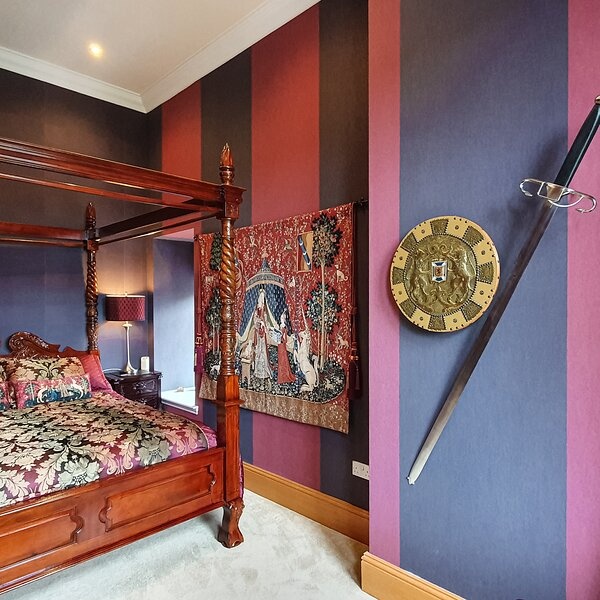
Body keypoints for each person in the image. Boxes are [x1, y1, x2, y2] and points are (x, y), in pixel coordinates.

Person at [277, 313, 296, 384]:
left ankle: (285, 376)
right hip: (280, 345)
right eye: (281, 318)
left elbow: (285, 339)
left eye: (283, 318)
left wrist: (281, 339)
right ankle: (281, 376)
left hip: (282, 345)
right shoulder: (280, 326)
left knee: (284, 360)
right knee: (281, 361)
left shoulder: (285, 327)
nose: (282, 319)